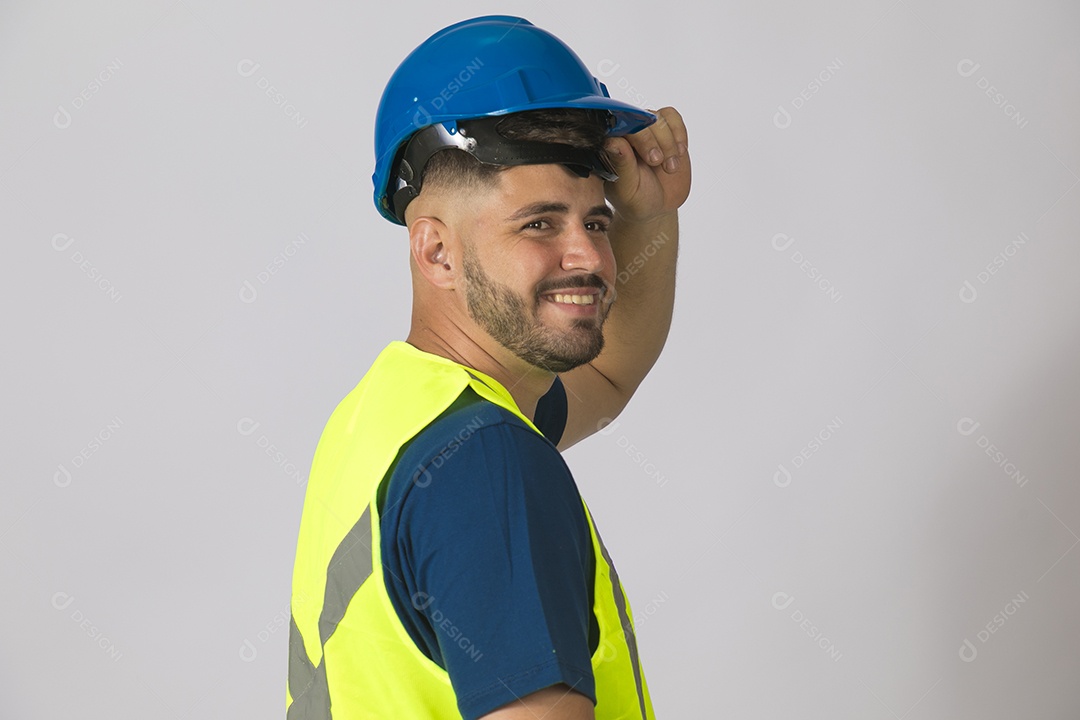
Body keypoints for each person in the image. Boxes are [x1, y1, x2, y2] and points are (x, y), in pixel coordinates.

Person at [287, 15, 690, 720]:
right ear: (436, 252)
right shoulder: (487, 462)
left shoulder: (394, 415)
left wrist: (649, 216)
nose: (592, 258)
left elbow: (608, 377)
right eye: (539, 223)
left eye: (596, 222)